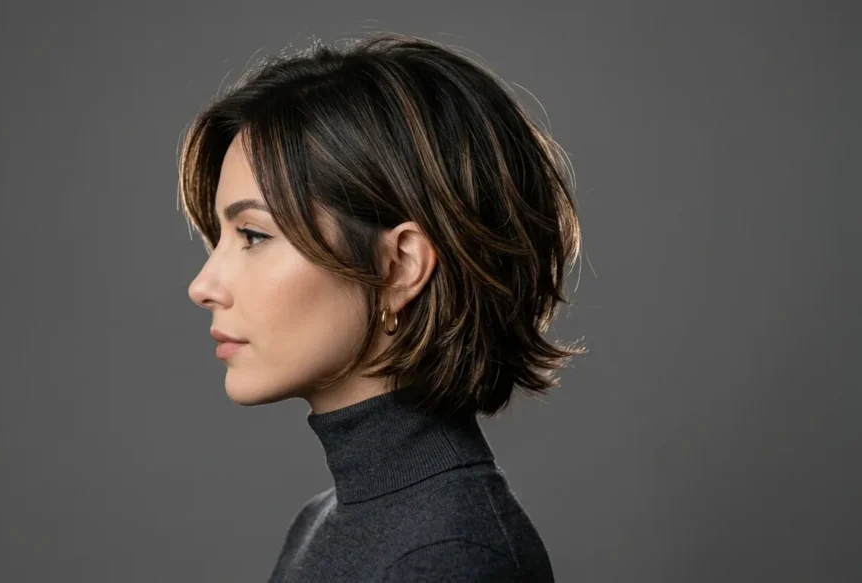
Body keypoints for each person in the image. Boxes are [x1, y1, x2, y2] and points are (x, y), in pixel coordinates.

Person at [182, 32, 584, 582]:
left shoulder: (449, 558)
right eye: (220, 238)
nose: (203, 285)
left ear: (400, 267)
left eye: (253, 235)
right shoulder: (321, 523)